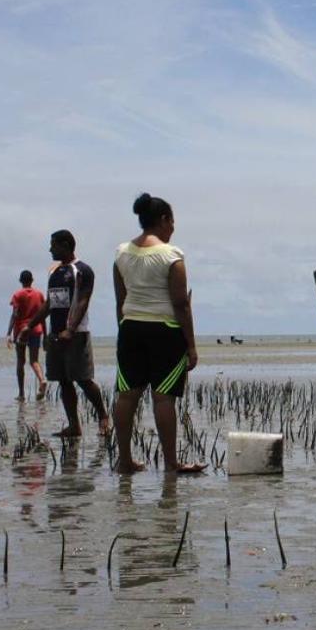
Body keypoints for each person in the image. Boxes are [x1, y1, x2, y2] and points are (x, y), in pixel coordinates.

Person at [112, 193, 204, 474]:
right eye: (172, 221)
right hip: (165, 330)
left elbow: (120, 300)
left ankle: (124, 460)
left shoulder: (121, 253)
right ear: (163, 220)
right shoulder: (172, 256)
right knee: (163, 398)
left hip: (131, 328)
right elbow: (180, 304)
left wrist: (125, 331)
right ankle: (171, 463)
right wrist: (191, 346)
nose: (173, 227)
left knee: (127, 395)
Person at [19, 230, 112, 438]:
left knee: (84, 379)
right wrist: (30, 326)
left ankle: (104, 416)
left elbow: (83, 301)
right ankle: (74, 426)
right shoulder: (55, 273)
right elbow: (50, 304)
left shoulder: (82, 270)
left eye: (53, 245)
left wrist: (70, 329)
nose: (50, 249)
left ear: (66, 245)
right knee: (63, 381)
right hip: (55, 335)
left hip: (76, 334)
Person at [6, 269, 47, 402]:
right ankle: (42, 379)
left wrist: (8, 333)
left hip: (21, 331)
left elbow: (15, 314)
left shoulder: (18, 295)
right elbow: (43, 315)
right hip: (36, 329)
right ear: (32, 280)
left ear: (20, 281)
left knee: (20, 361)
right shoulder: (39, 295)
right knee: (34, 360)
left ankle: (22, 394)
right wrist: (45, 334)